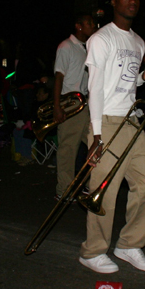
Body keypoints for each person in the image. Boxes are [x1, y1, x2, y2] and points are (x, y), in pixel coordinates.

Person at [79, 0, 145, 274]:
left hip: (131, 120)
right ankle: (93, 251)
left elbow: (122, 80)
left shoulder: (138, 42)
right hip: (107, 122)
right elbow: (96, 88)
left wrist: (142, 78)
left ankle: (129, 244)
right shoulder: (101, 39)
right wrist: (97, 134)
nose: (132, 1)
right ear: (113, 2)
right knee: (105, 191)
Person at [53, 14, 96, 199]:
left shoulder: (87, 48)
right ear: (78, 26)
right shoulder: (66, 47)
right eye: (89, 23)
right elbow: (59, 77)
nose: (93, 26)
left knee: (94, 145)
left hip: (86, 103)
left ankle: (89, 185)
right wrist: (57, 106)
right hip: (70, 103)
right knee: (68, 148)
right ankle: (64, 191)